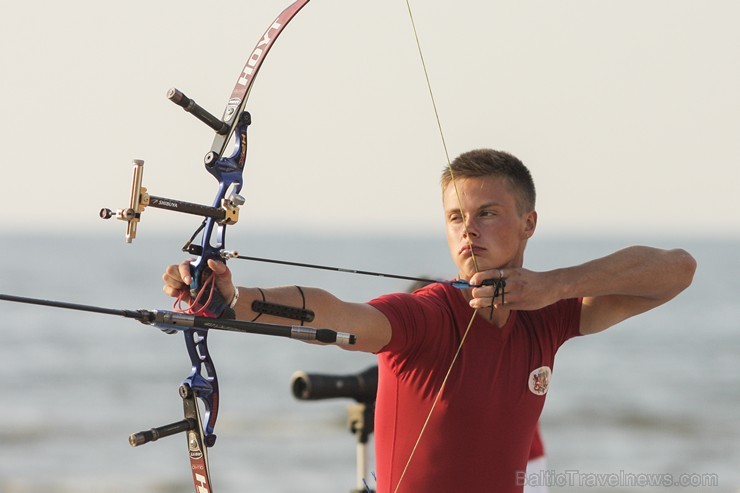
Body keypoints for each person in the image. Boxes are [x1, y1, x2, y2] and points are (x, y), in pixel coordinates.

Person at [163, 149, 696, 493]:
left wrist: (555, 285)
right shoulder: (427, 316)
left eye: (487, 213)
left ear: (528, 222)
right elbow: (335, 314)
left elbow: (677, 270)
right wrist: (235, 301)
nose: (470, 231)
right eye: (456, 217)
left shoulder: (549, 316)